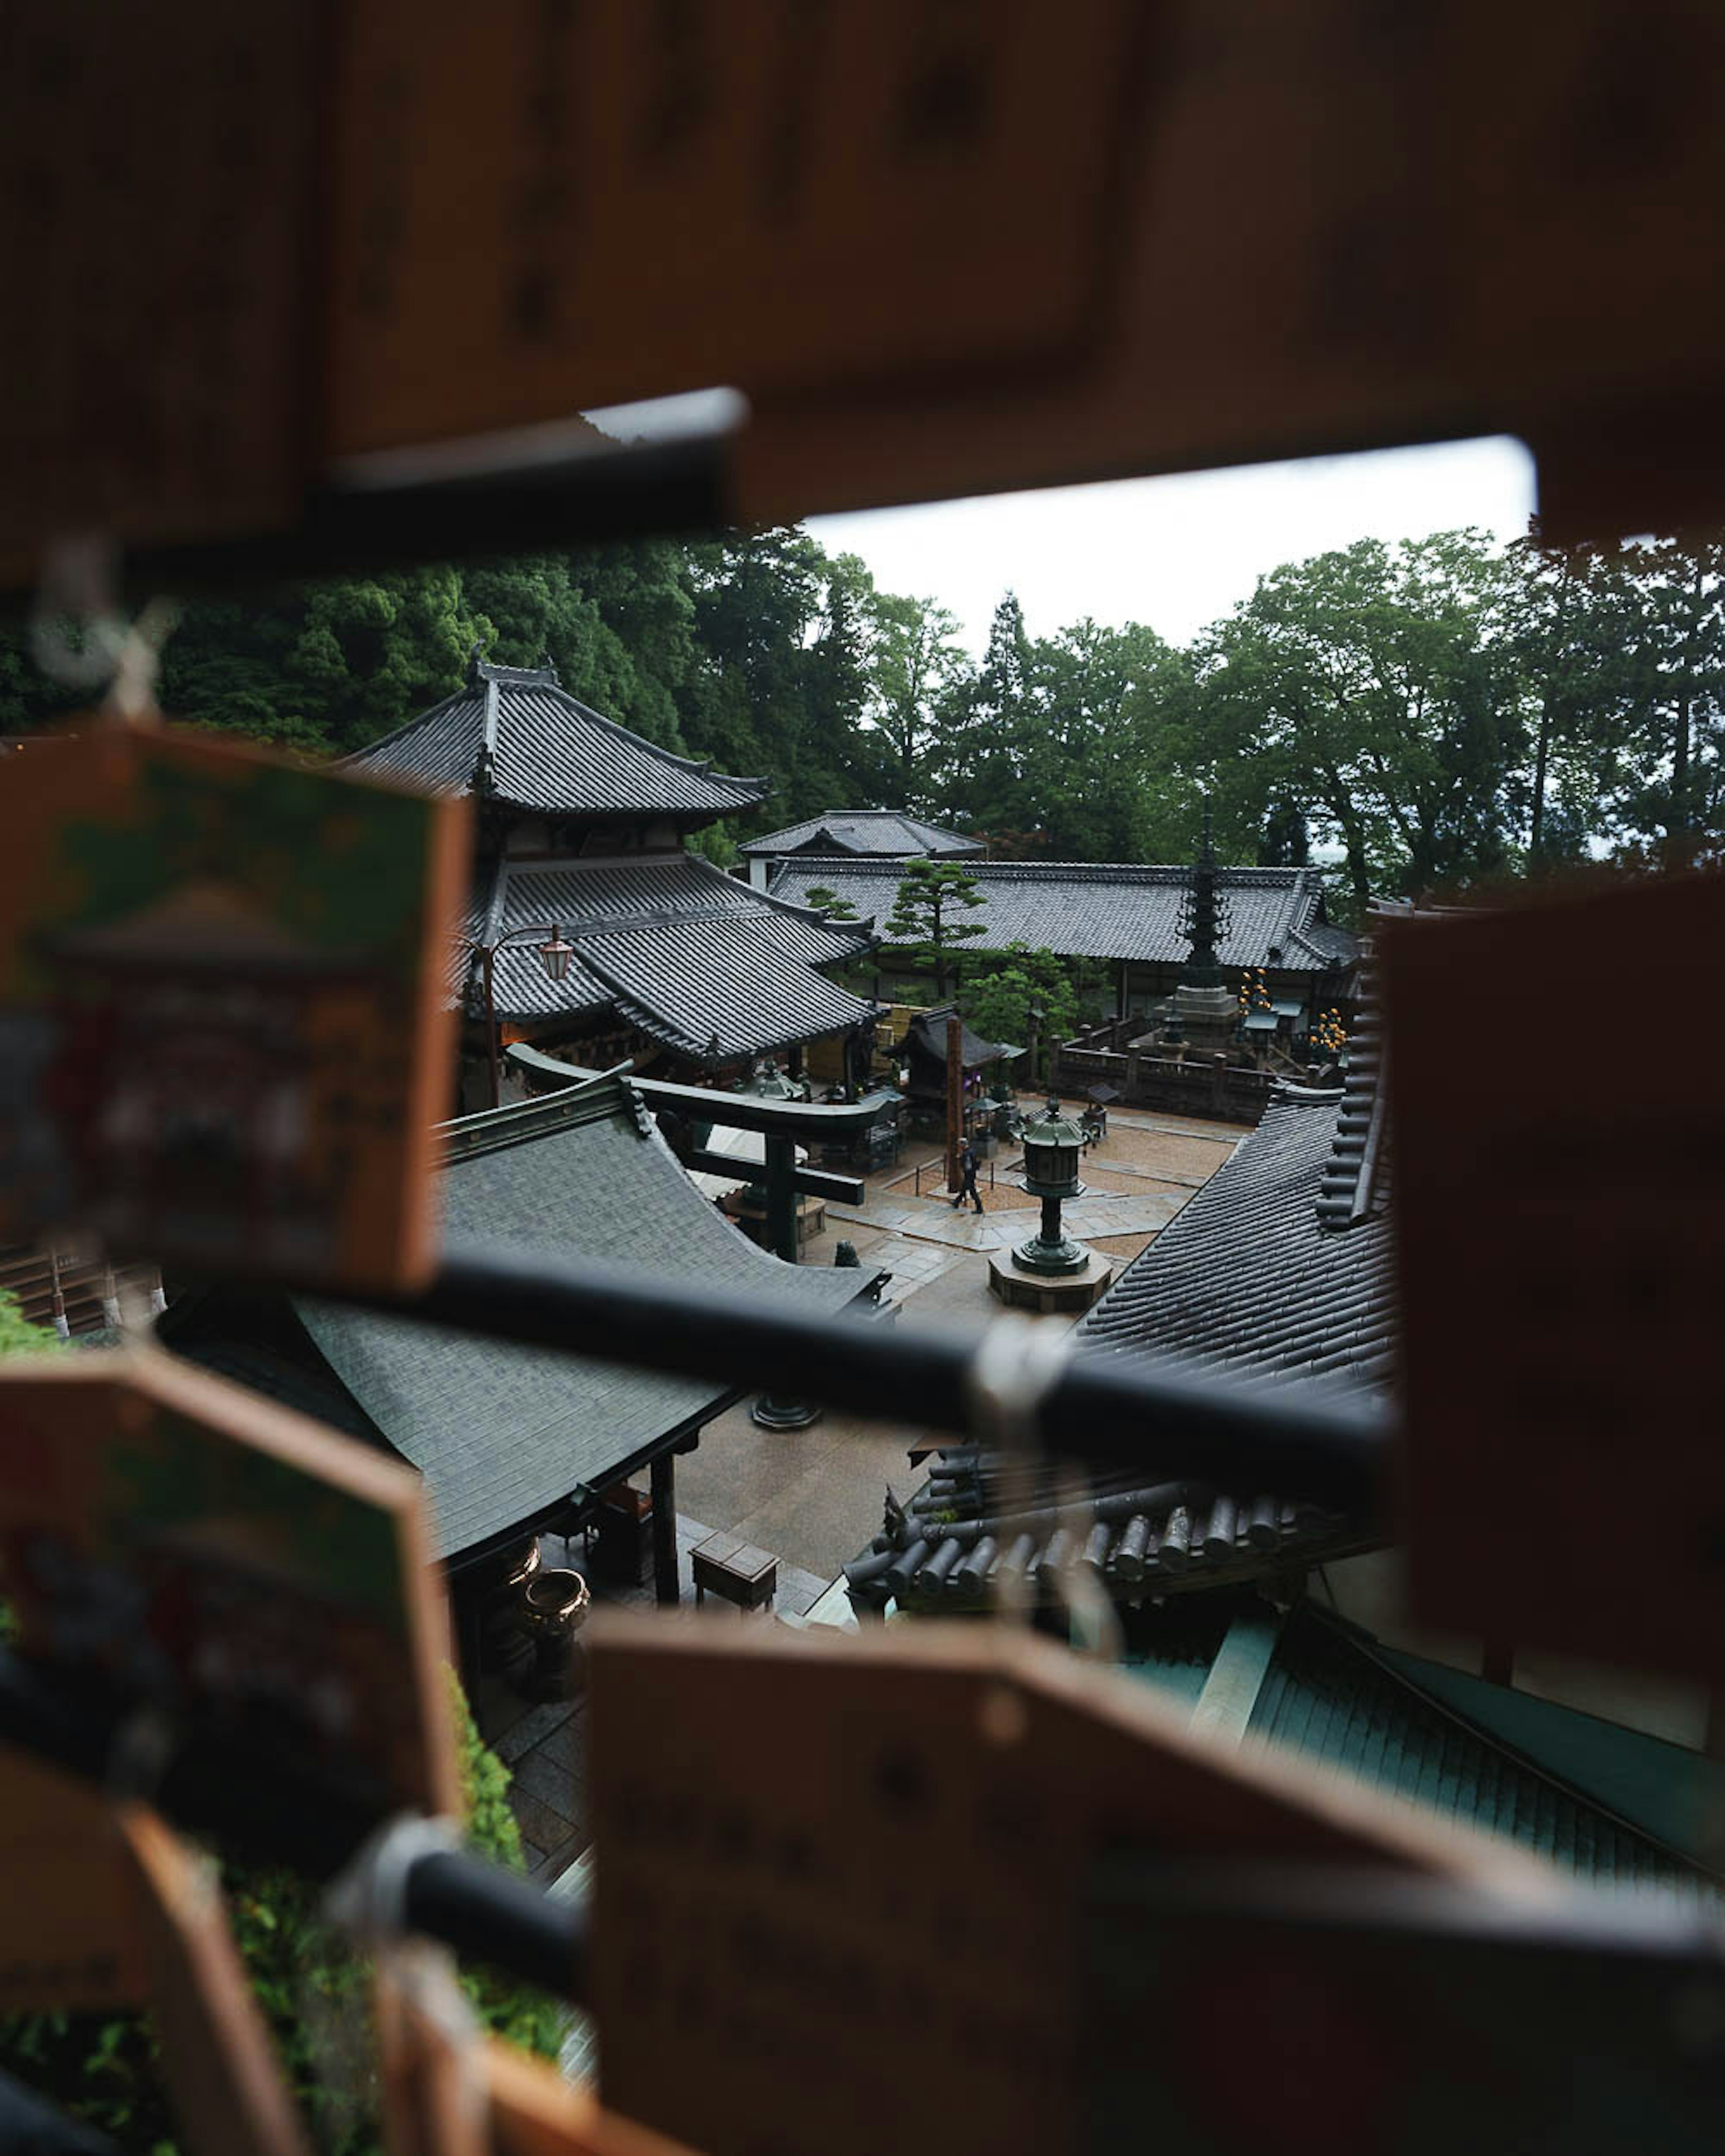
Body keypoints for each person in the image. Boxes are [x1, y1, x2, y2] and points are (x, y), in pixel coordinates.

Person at [950, 1139, 983, 1214]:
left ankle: (980, 1208)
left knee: (973, 1192)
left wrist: (961, 1160)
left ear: (963, 1145)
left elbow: (968, 1166)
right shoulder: (972, 1151)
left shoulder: (966, 1154)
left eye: (960, 1145)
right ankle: (956, 1203)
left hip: (969, 1175)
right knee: (963, 1189)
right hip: (972, 1174)